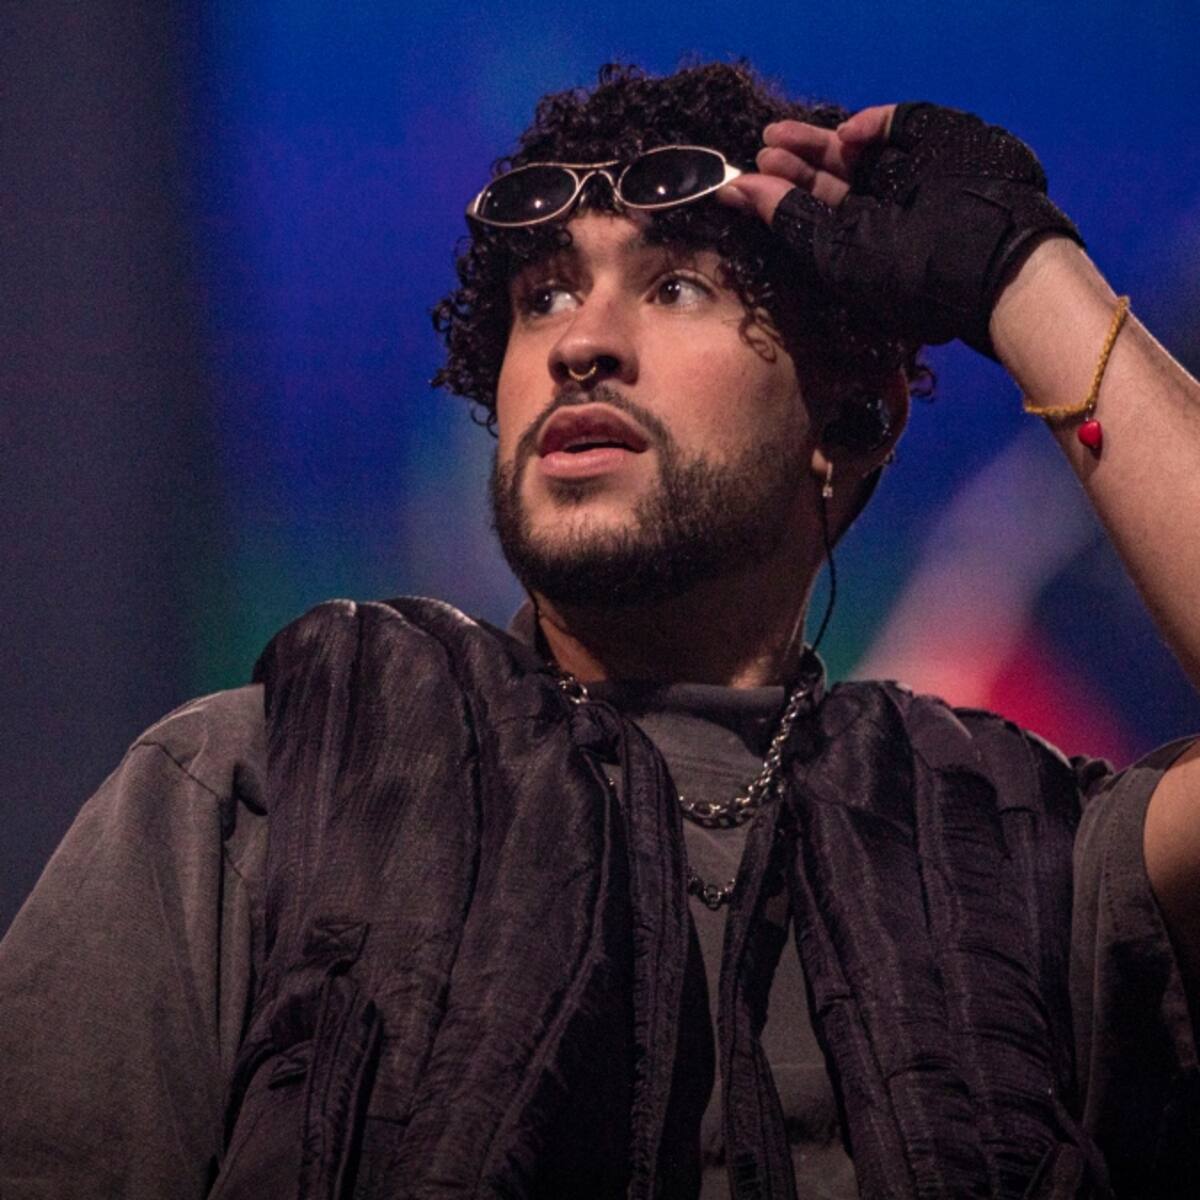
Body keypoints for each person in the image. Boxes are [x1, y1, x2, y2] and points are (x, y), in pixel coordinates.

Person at [1, 61, 1198, 1199]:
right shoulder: (261, 787)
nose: (580, 344)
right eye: (545, 298)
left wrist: (1023, 276)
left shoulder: (1023, 849)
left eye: (676, 287)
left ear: (852, 418)